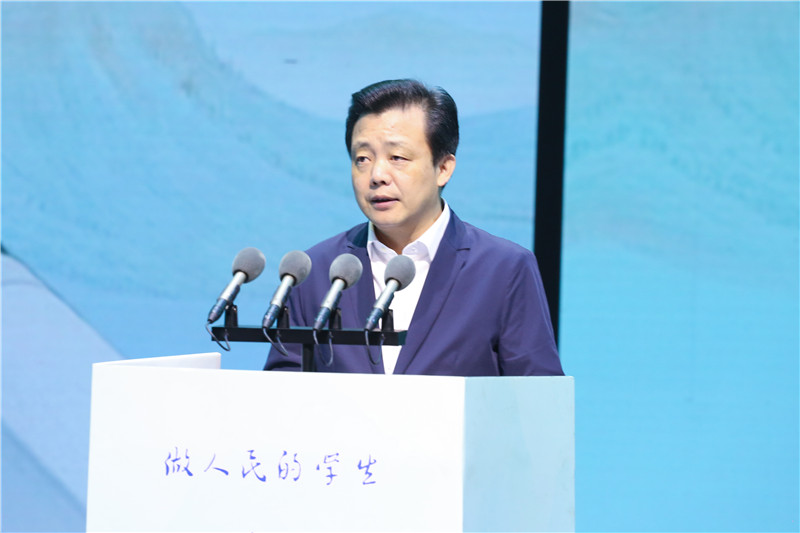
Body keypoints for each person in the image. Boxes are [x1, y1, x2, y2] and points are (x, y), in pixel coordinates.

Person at [265, 79, 563, 377]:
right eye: (362, 159)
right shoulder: (316, 271)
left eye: (397, 157)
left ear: (443, 168)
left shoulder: (503, 269)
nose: (377, 175)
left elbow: (538, 393)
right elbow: (281, 391)